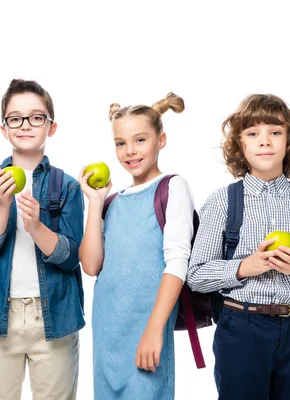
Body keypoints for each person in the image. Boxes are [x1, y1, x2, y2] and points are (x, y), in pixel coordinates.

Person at [187, 93, 290, 400]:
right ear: (240, 144)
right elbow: (197, 273)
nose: (265, 141)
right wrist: (245, 267)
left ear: (289, 141)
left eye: (275, 132)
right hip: (241, 327)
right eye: (253, 133)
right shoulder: (222, 201)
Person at [0, 79, 85, 400]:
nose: (25, 125)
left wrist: (36, 227)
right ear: (4, 128)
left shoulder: (67, 187)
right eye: (15, 118)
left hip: (55, 319)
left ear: (51, 127)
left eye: (36, 117)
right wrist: (1, 203)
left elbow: (70, 256)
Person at [79, 93, 195, 400]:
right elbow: (91, 267)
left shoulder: (172, 188)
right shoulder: (112, 202)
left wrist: (155, 329)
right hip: (107, 332)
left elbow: (177, 262)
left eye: (140, 140)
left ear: (161, 140)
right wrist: (94, 203)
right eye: (120, 143)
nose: (130, 151)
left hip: (147, 328)